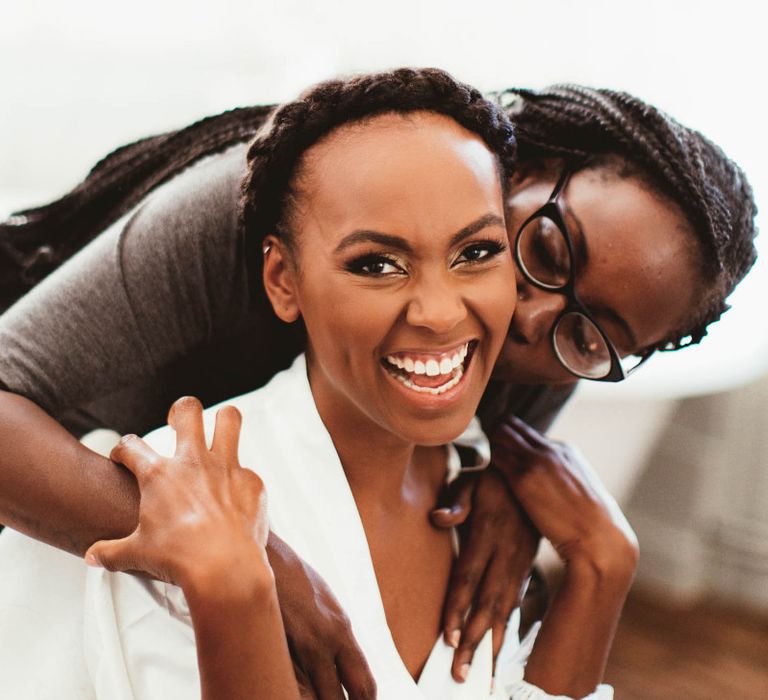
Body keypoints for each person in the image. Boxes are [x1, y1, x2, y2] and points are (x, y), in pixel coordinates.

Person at [0, 71, 758, 694]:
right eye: (546, 252)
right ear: (517, 167)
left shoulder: (539, 345)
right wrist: (254, 567)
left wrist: (513, 490)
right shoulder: (253, 211)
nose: (527, 319)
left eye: (590, 336)